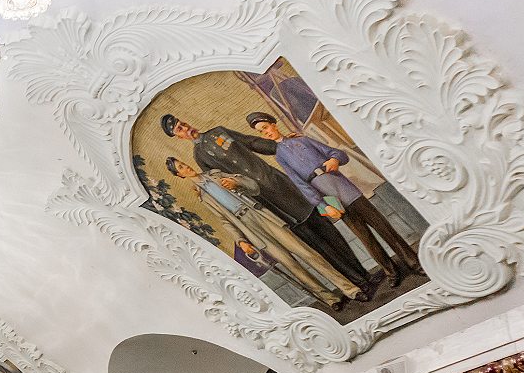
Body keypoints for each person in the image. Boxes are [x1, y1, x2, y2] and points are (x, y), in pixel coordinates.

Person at [161, 113, 374, 296]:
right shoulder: (200, 157)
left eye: (183, 123)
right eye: (180, 129)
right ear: (178, 136)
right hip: (267, 200)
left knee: (325, 227)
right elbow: (226, 184)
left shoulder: (218, 131)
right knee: (313, 241)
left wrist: (280, 144)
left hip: (279, 183)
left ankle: (364, 275)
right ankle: (355, 281)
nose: (185, 128)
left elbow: (252, 142)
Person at [247, 111, 420, 287]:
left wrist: (334, 160)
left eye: (266, 127)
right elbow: (301, 185)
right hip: (329, 199)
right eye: (261, 132)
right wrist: (323, 206)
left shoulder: (303, 140)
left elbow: (339, 153)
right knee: (364, 237)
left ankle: (412, 262)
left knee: (383, 227)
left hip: (345, 188)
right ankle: (391, 272)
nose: (266, 132)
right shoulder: (280, 157)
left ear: (273, 124)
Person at [165, 157, 362, 309]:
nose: (185, 167)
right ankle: (330, 299)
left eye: (183, 163)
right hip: (249, 229)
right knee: (292, 265)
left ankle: (350, 290)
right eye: (181, 168)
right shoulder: (202, 198)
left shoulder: (216, 175)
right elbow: (225, 221)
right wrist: (241, 241)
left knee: (307, 254)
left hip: (261, 215)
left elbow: (254, 187)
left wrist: (236, 183)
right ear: (179, 175)